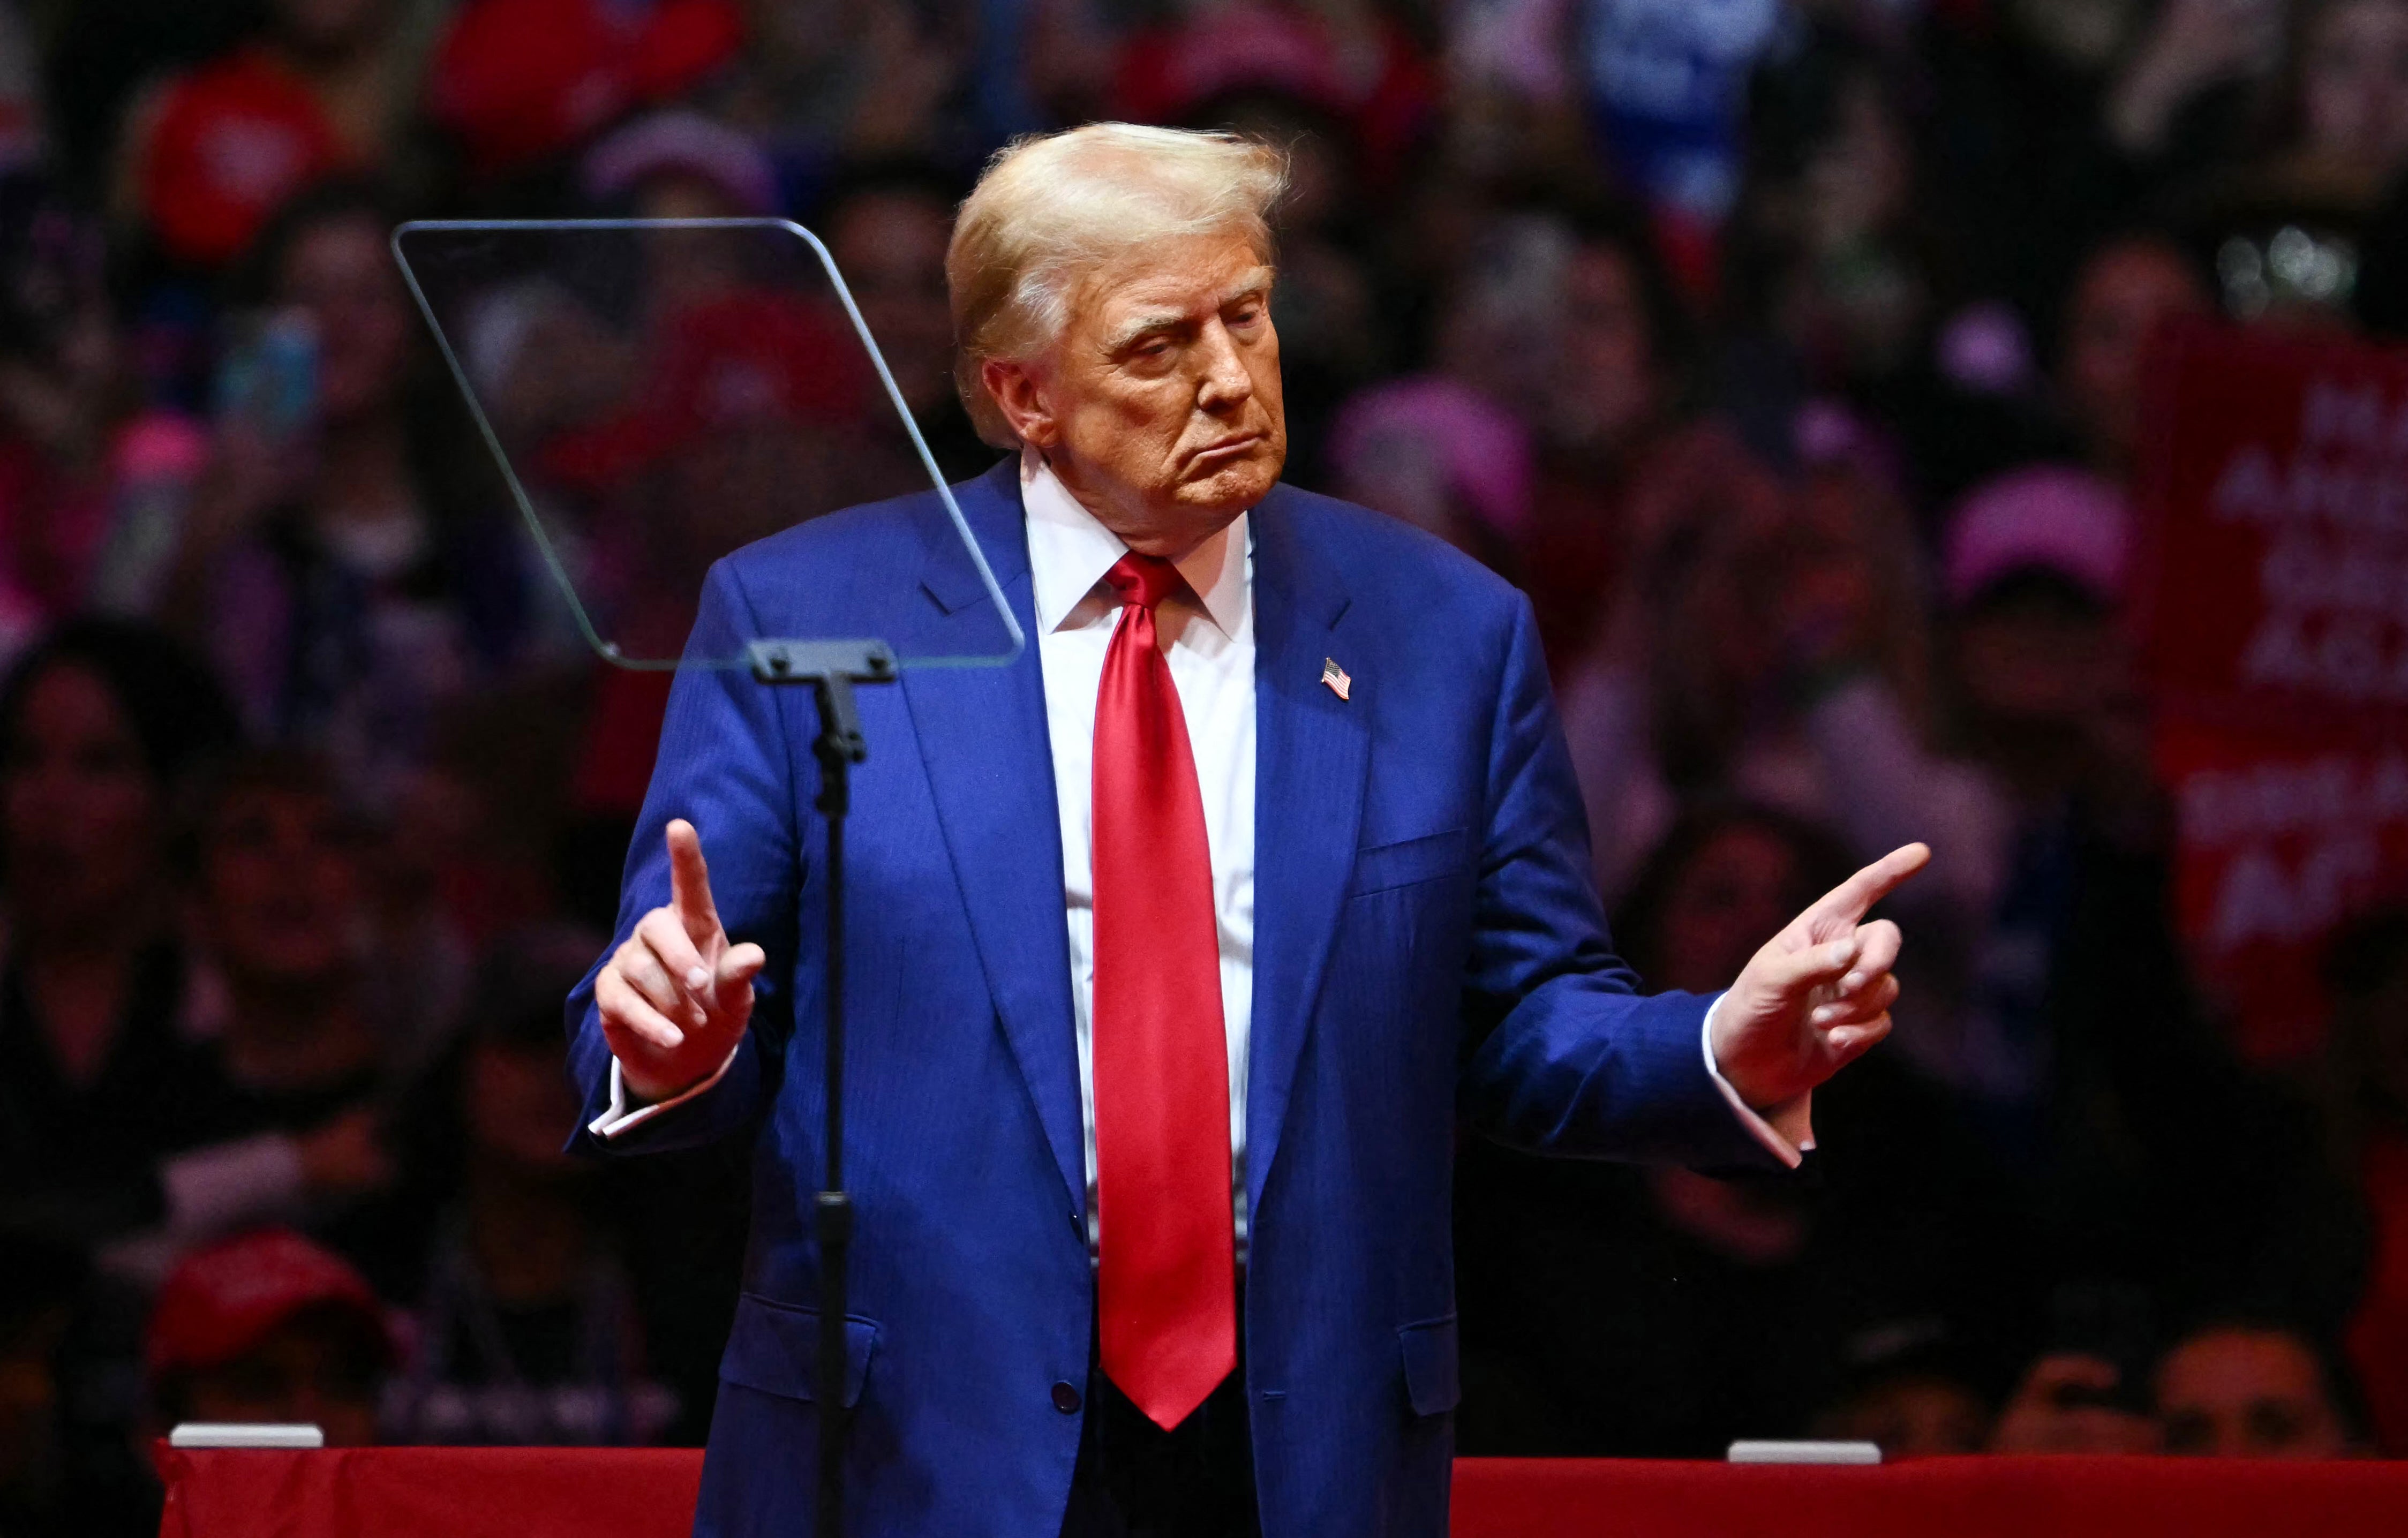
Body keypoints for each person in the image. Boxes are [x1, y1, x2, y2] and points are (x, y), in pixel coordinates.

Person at [570, 123, 1929, 1537]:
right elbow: (662, 999)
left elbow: (1527, 1023)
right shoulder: (801, 619)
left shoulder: (1445, 634)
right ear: (1022, 394)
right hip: (910, 1446)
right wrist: (669, 1049)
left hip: (1303, 1450)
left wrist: (1719, 1047)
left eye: (1248, 316)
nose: (1232, 377)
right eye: (1162, 346)